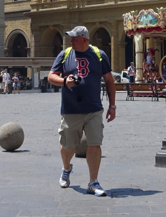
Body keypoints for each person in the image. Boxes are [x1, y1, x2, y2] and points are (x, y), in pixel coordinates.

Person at [47, 25, 115, 197]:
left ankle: (93, 182)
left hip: (93, 109)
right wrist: (64, 81)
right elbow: (51, 76)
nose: (71, 41)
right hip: (71, 109)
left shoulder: (99, 55)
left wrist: (112, 106)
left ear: (84, 40)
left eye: (74, 39)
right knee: (68, 145)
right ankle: (66, 168)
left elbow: (109, 81)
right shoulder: (65, 54)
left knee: (95, 144)